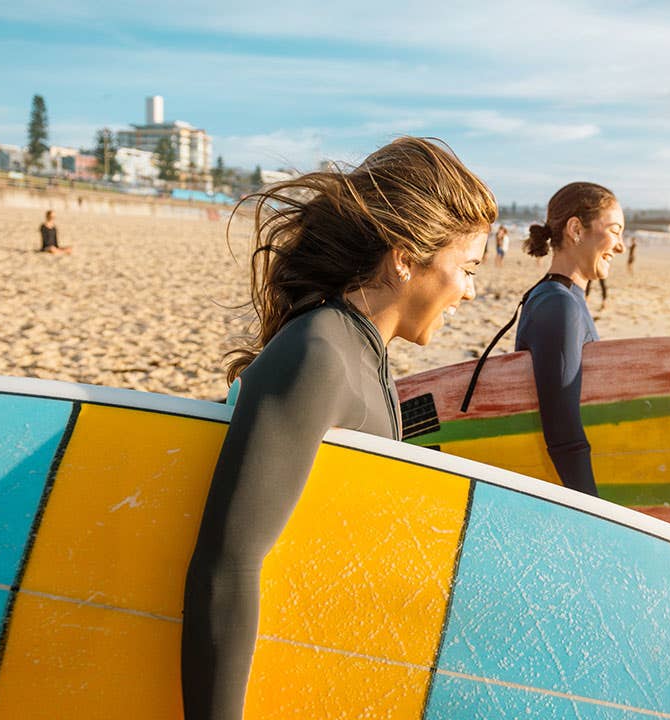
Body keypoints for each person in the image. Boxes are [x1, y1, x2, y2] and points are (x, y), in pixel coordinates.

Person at [181, 137, 496, 720]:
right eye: (467, 267)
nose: (471, 290)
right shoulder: (319, 352)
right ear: (405, 257)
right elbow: (228, 565)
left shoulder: (368, 357)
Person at [516, 182, 624, 496]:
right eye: (615, 231)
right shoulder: (559, 304)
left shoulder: (559, 297)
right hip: (563, 491)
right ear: (576, 229)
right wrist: (594, 514)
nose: (620, 246)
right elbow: (564, 436)